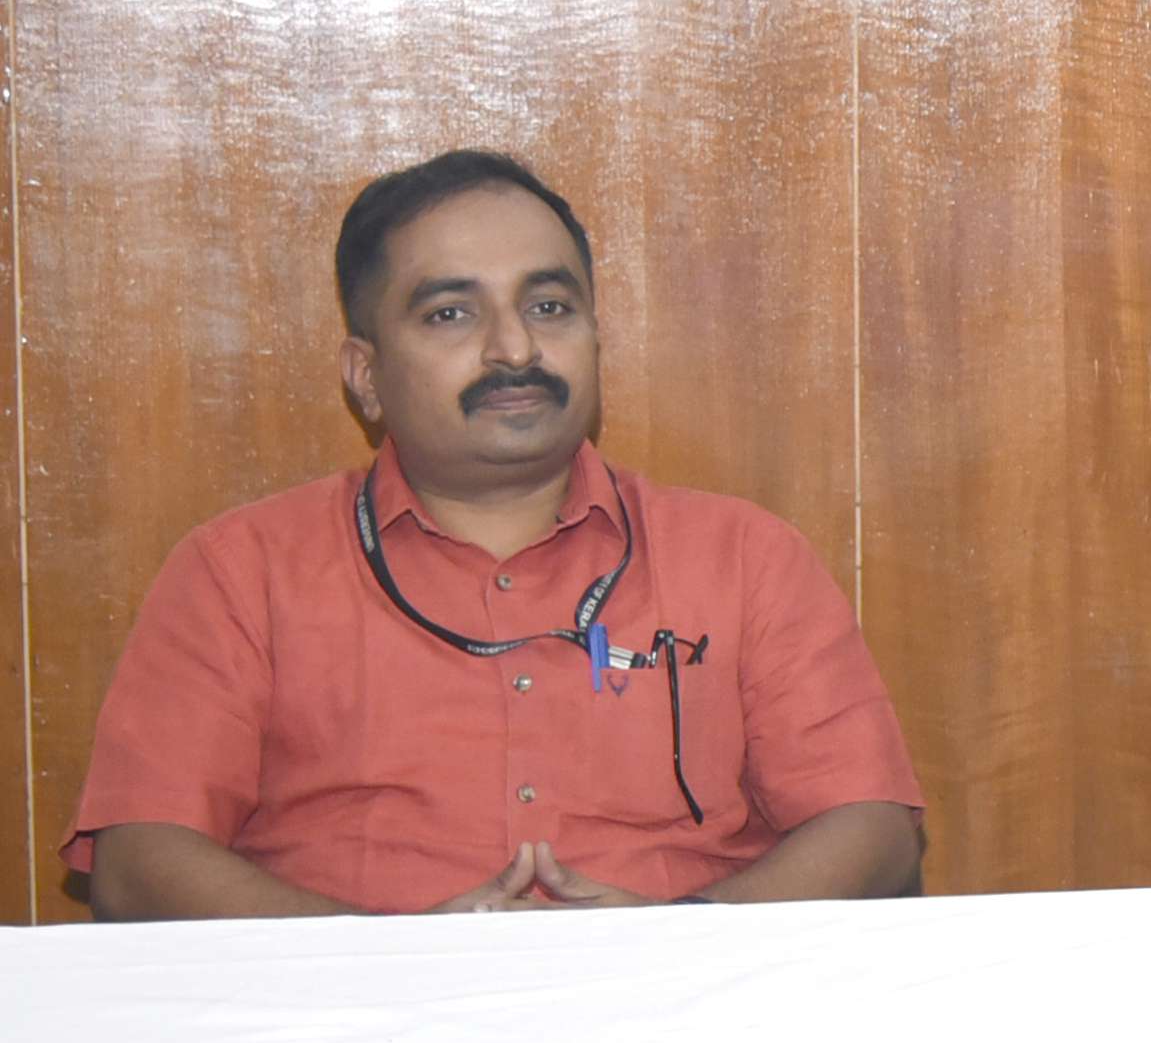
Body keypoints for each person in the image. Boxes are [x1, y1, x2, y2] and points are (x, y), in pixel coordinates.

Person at [70, 151, 926, 917]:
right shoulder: (240, 572)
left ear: (595, 337)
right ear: (365, 376)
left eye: (549, 306)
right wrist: (389, 963)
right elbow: (141, 860)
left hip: (682, 1010)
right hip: (347, 1019)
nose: (514, 349)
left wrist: (676, 939)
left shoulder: (743, 557)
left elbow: (873, 828)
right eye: (451, 314)